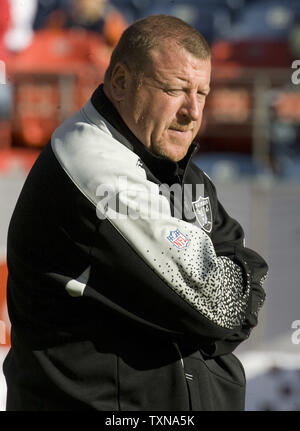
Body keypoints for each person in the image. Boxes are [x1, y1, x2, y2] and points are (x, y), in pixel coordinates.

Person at [3, 15, 268, 411]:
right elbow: (223, 307)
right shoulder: (93, 169)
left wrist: (215, 295)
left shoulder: (167, 159)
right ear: (121, 82)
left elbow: (243, 270)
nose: (193, 112)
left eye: (202, 93)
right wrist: (211, 301)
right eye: (176, 89)